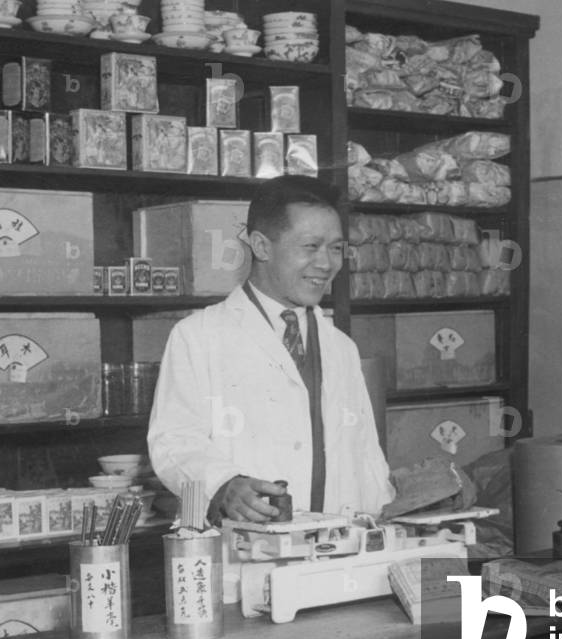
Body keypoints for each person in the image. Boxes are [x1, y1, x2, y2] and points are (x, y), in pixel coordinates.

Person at [148, 175, 394, 525]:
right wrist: (224, 485)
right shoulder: (198, 336)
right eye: (310, 247)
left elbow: (367, 457)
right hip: (247, 553)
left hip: (337, 554)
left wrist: (390, 517)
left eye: (336, 248)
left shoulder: (341, 347)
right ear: (262, 247)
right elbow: (173, 442)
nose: (326, 264)